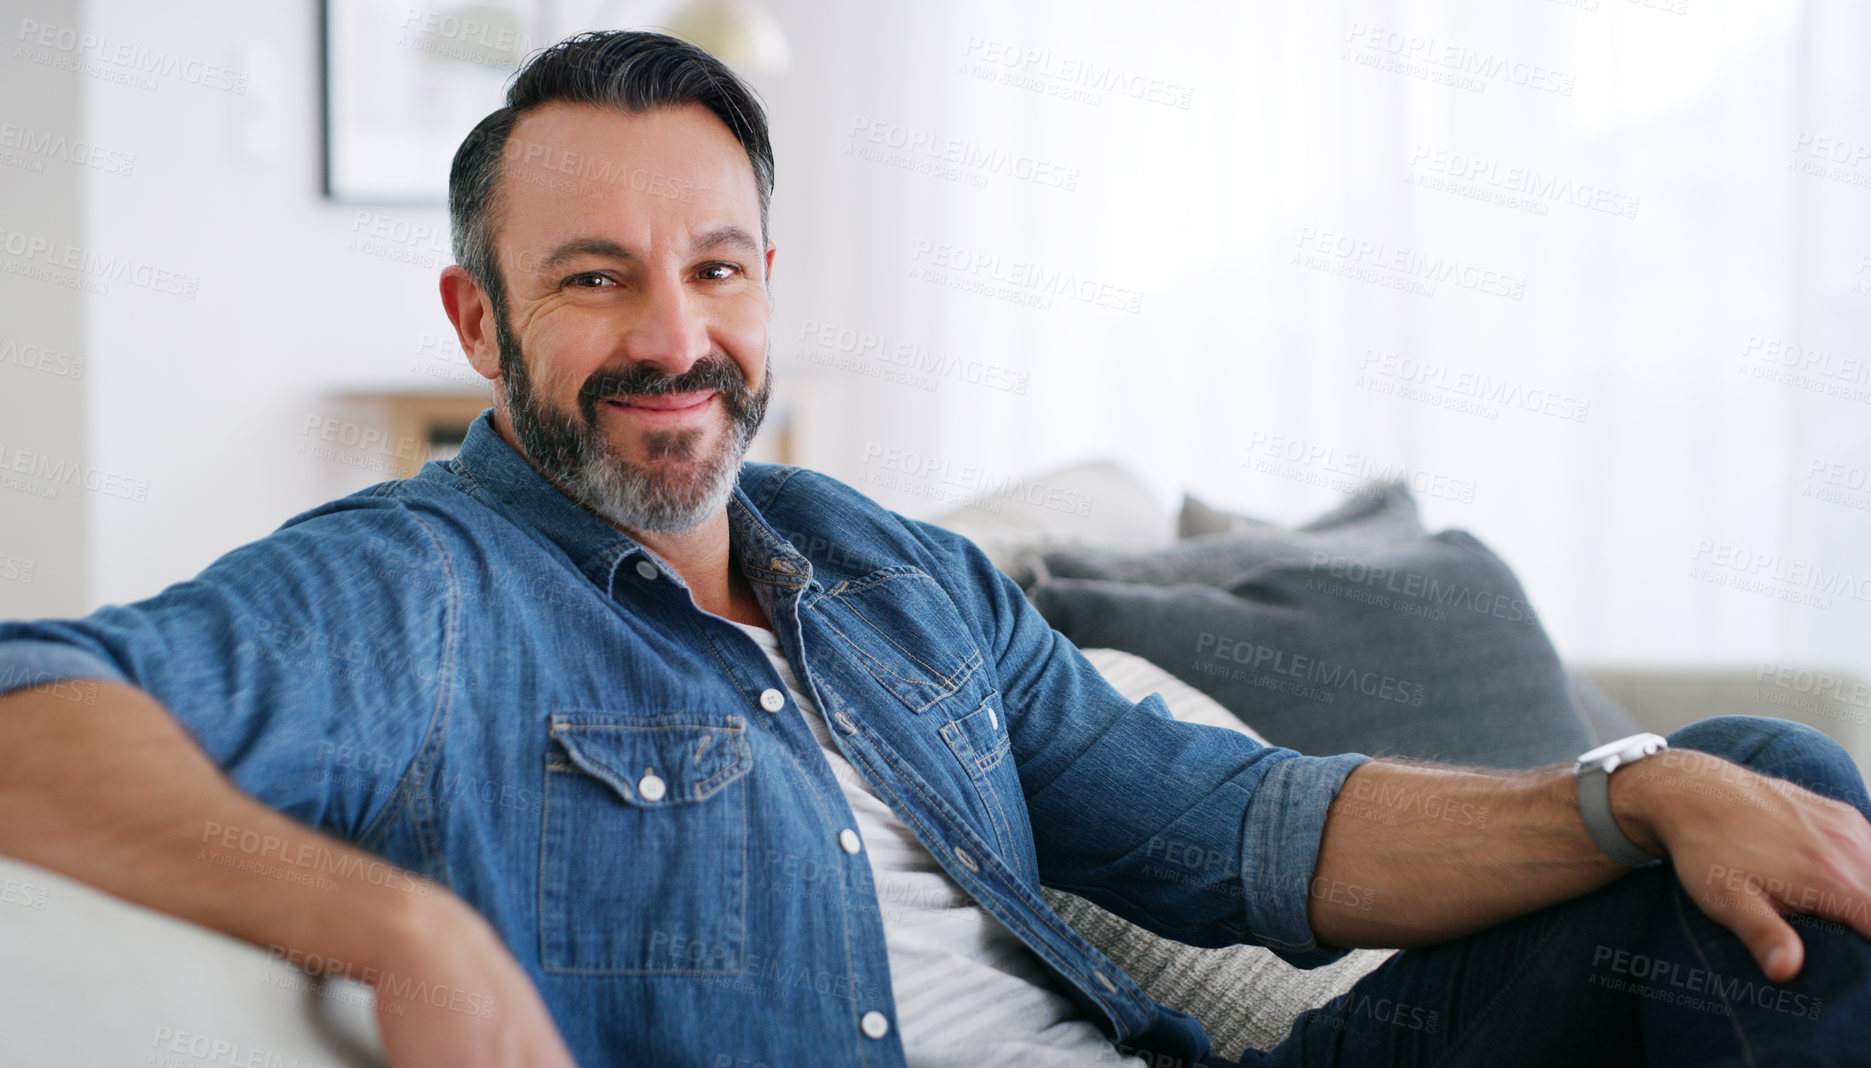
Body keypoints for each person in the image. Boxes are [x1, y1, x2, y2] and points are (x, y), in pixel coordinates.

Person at [1, 29, 1868, 1068]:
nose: (672, 336)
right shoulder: (420, 593)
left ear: (763, 288)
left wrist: (1627, 795)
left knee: (1752, 793)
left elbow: (1245, 833)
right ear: (479, 325)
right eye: (593, 279)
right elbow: (29, 697)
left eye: (713, 268)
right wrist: (394, 927)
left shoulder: (892, 573)